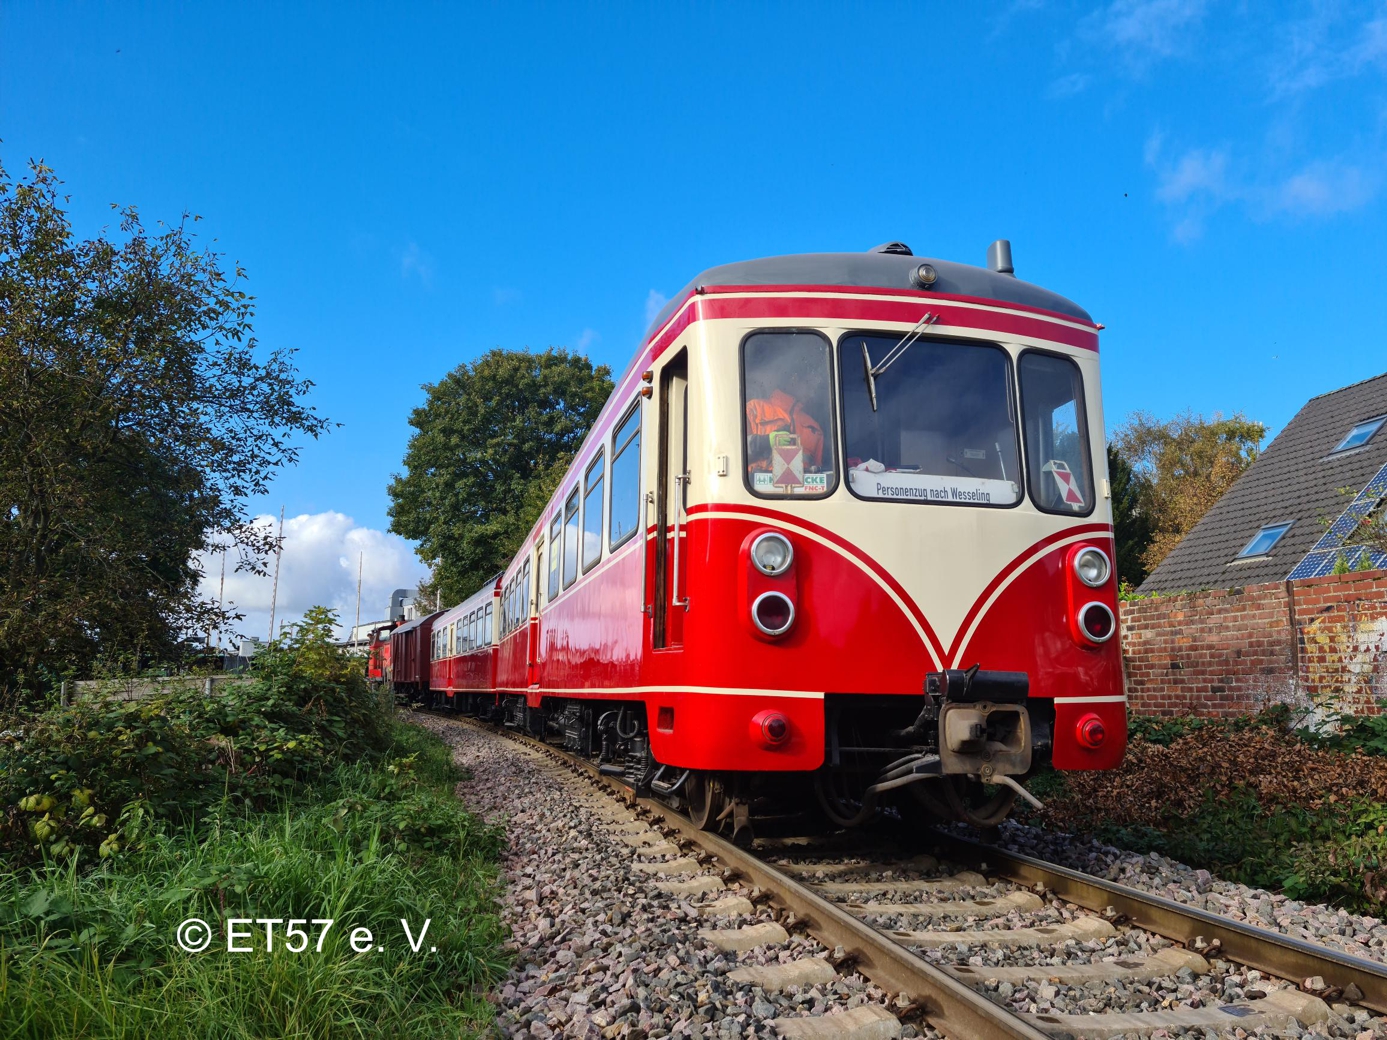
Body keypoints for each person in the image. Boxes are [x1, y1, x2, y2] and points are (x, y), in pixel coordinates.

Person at [746, 368, 825, 473]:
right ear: (794, 379)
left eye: (814, 389)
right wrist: (765, 442)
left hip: (803, 489)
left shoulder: (814, 428)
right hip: (753, 487)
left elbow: (820, 474)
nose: (812, 394)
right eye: (809, 386)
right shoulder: (754, 409)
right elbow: (733, 453)